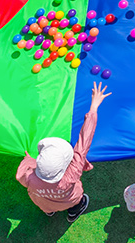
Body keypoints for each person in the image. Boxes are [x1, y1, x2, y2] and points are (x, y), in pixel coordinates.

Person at [16, 82, 111, 223]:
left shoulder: (28, 176)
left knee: (46, 204)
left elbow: (21, 174)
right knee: (76, 200)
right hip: (69, 200)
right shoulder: (73, 172)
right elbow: (84, 140)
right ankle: (74, 211)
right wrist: (93, 107)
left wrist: (29, 159)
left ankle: (49, 211)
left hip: (43, 202)